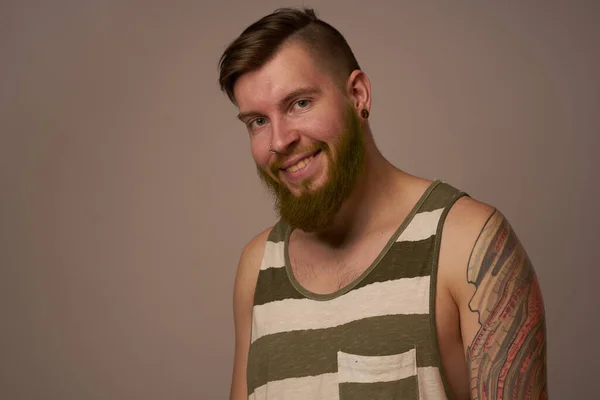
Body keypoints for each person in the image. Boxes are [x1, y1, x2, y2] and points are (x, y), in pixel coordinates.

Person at [218, 7, 547, 400]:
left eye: (299, 104)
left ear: (358, 94)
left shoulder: (468, 244)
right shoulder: (258, 267)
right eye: (257, 121)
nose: (278, 140)